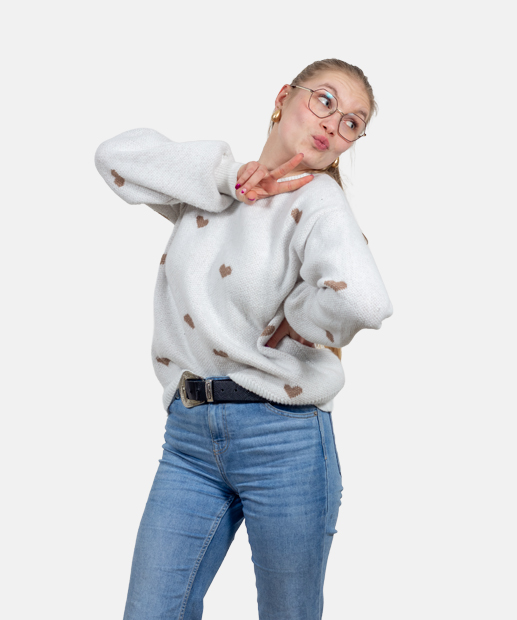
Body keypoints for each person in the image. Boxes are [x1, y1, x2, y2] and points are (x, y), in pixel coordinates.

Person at [95, 58, 393, 620]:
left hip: (285, 440)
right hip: (188, 438)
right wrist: (228, 177)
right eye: (325, 101)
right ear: (283, 98)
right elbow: (114, 157)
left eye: (352, 123)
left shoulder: (318, 201)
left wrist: (299, 316)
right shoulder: (210, 189)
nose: (333, 124)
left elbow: (366, 300)